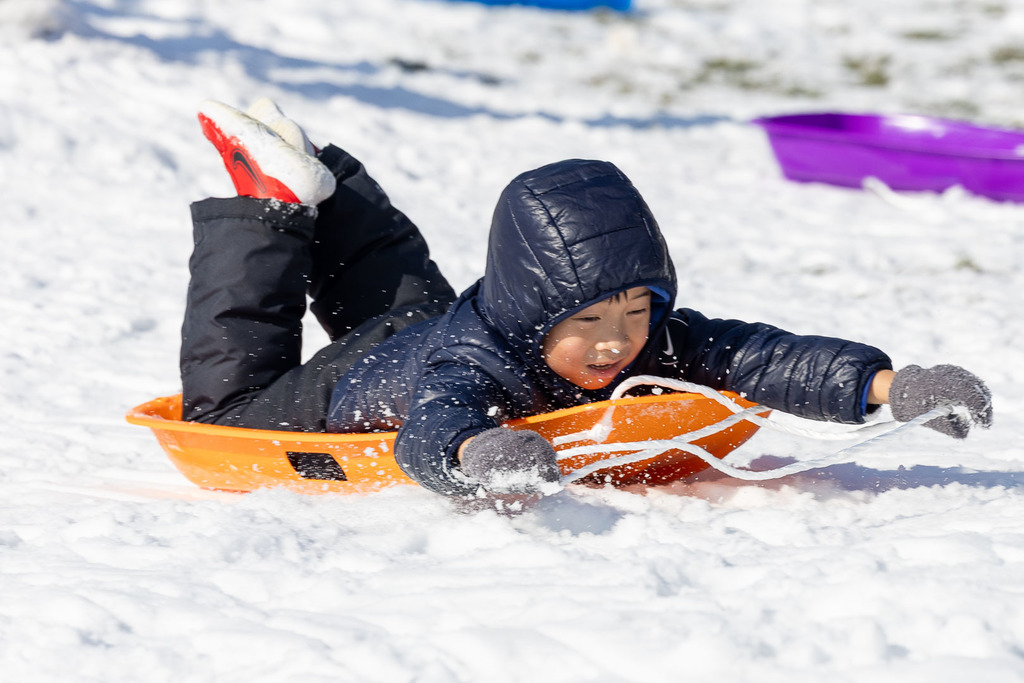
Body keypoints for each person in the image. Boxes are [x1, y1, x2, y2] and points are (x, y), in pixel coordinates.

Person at [181, 98, 993, 498]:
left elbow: (763, 356)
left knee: (407, 311)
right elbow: (438, 419)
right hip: (361, 385)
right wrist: (478, 455)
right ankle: (269, 205)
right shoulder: (477, 361)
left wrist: (893, 386)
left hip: (422, 328)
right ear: (533, 309)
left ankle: (321, 172)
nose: (618, 343)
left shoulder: (649, 338)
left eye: (636, 313)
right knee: (221, 409)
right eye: (591, 323)